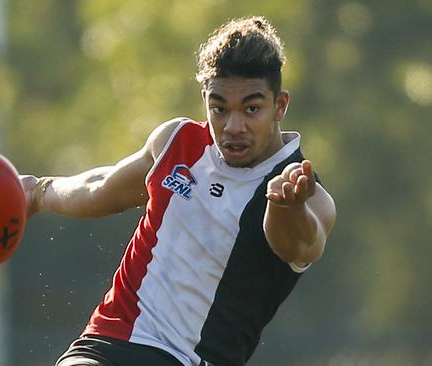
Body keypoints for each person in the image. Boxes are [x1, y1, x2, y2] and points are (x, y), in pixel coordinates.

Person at [20, 15, 336, 366]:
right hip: (112, 342)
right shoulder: (176, 143)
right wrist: (38, 191)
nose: (233, 126)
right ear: (205, 100)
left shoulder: (304, 192)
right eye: (219, 109)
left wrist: (285, 206)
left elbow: (302, 244)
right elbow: (100, 188)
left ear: (280, 106)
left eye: (251, 109)